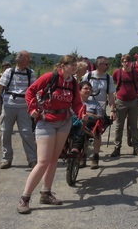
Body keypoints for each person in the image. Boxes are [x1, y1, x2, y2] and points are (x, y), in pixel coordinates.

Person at [17, 55, 85, 215]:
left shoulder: (73, 83)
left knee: (54, 159)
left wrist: (82, 113)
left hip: (64, 122)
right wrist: (32, 108)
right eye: (72, 65)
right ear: (62, 65)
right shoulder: (50, 77)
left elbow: (76, 102)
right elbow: (31, 91)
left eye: (76, 65)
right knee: (43, 161)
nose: (75, 67)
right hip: (46, 120)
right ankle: (24, 198)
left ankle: (46, 193)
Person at [0, 51, 37, 169]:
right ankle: (6, 159)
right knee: (5, 132)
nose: (29, 60)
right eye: (27, 58)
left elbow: (34, 90)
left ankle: (32, 159)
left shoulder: (30, 73)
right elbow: (0, 87)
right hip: (9, 105)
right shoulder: (9, 72)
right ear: (21, 59)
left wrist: (35, 105)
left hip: (24, 107)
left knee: (27, 133)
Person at [80, 56, 116, 169]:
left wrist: (112, 110)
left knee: (97, 132)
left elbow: (111, 95)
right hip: (86, 105)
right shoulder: (88, 75)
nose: (107, 66)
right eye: (106, 64)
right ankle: (83, 156)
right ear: (99, 64)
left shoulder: (108, 78)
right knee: (83, 132)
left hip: (100, 107)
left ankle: (95, 157)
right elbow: (81, 89)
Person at [110, 54, 138, 158]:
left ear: (131, 62)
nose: (126, 63)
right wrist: (114, 97)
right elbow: (113, 84)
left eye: (128, 61)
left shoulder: (135, 73)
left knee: (134, 126)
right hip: (121, 101)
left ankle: (136, 148)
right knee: (119, 126)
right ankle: (117, 148)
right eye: (124, 61)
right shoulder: (117, 72)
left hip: (133, 101)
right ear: (122, 62)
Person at [71, 81, 111, 166]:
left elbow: (100, 116)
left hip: (90, 125)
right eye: (85, 88)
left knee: (90, 124)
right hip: (76, 123)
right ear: (79, 90)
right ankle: (80, 153)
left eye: (90, 89)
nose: (88, 90)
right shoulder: (73, 103)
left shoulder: (95, 104)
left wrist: (89, 115)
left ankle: (94, 156)